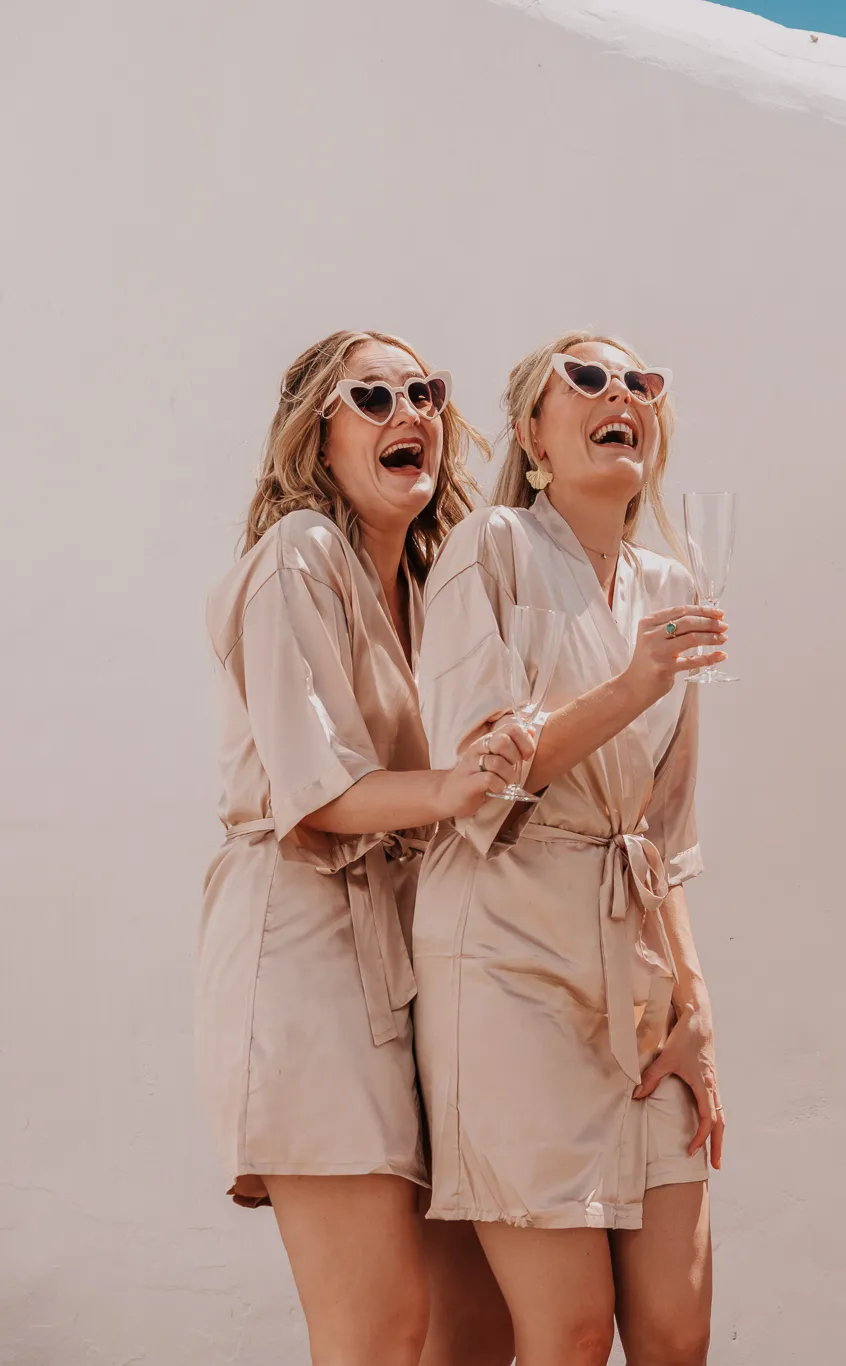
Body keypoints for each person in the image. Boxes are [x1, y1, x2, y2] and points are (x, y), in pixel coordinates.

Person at [413, 332, 730, 1366]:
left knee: (678, 1331)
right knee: (571, 1332)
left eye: (641, 381)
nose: (621, 393)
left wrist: (695, 1009)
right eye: (587, 378)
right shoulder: (492, 546)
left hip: (637, 973)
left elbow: (662, 831)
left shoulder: (669, 583)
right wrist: (633, 684)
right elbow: (481, 775)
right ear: (533, 435)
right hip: (509, 957)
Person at [197, 330, 513, 1364]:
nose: (407, 411)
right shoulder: (299, 552)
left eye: (425, 393)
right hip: (308, 947)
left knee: (479, 1325)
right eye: (371, 396)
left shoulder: (433, 589)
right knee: (376, 1328)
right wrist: (454, 786)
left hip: (421, 958)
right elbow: (318, 786)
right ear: (316, 434)